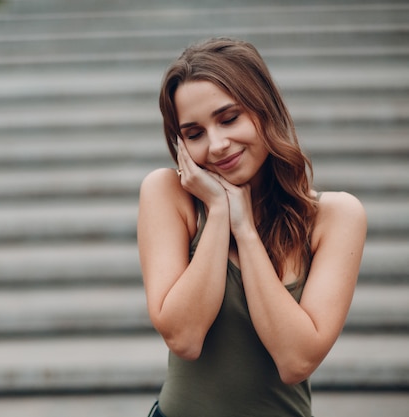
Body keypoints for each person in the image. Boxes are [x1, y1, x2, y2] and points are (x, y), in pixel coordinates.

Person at [137, 37, 367, 417]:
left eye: (229, 118)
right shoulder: (167, 194)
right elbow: (185, 337)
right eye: (194, 134)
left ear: (266, 110)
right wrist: (218, 211)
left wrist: (244, 230)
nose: (217, 145)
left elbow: (296, 361)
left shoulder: (335, 217)